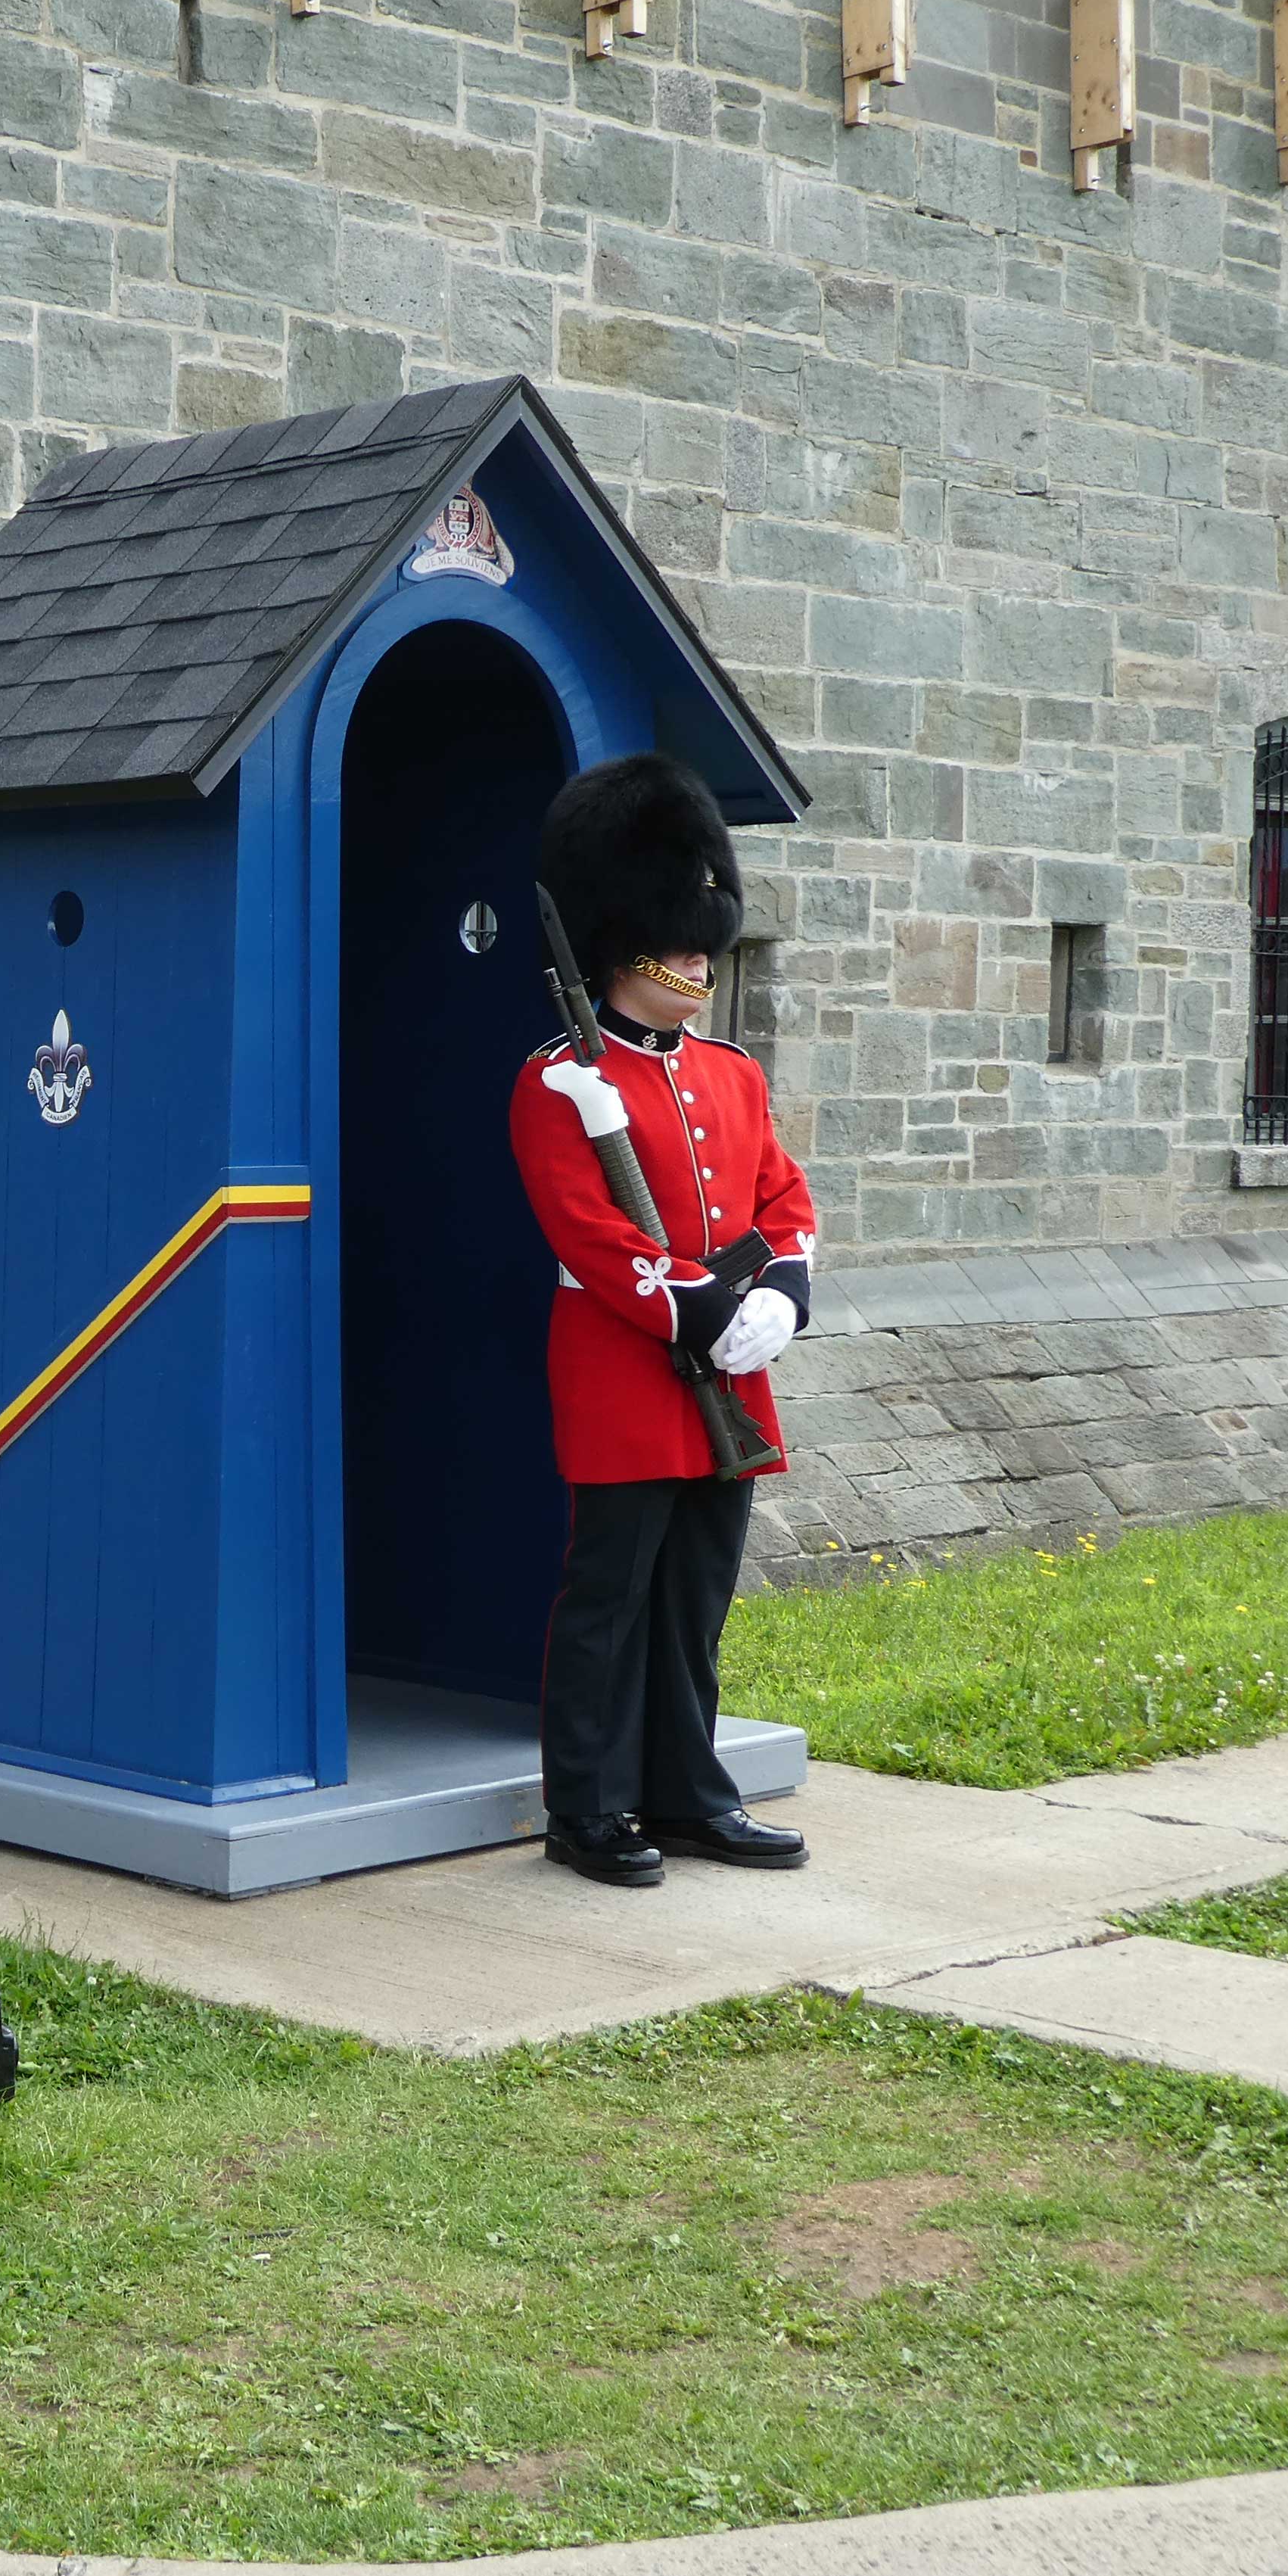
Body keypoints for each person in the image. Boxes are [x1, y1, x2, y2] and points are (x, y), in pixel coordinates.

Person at [509, 753, 819, 1890]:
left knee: (695, 1602)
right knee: (610, 1602)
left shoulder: (730, 1074)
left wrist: (779, 1296)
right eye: (680, 946)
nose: (698, 961)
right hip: (627, 1375)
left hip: (731, 1379)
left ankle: (689, 1794)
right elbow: (591, 1237)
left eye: (702, 943)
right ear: (623, 947)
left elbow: (782, 1197)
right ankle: (586, 1808)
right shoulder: (560, 1084)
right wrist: (693, 1304)